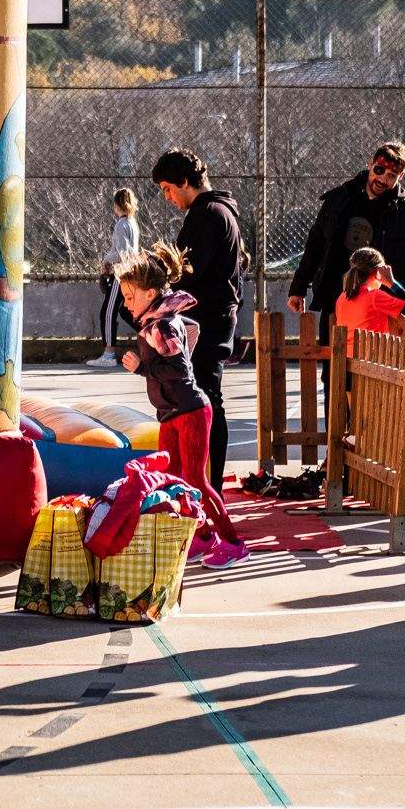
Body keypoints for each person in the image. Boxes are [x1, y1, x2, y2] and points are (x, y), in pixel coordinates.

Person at [116, 242, 248, 569]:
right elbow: (193, 328)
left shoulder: (160, 325)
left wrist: (142, 368)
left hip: (189, 411)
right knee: (174, 478)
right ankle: (202, 535)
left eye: (130, 297)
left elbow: (178, 369)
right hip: (171, 413)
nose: (126, 304)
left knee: (195, 480)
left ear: (150, 294)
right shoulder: (160, 321)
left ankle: (233, 543)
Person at [288, 141, 405, 410]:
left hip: (381, 307)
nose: (383, 179)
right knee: (335, 373)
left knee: (381, 374)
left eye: (391, 175)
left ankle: (371, 433)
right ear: (370, 165)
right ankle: (337, 434)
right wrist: (298, 287)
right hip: (339, 301)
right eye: (379, 170)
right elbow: (315, 246)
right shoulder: (339, 200)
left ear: (401, 176)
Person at [151, 148, 247, 488]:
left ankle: (208, 485)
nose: (168, 197)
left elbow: (188, 273)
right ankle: (207, 483)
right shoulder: (221, 211)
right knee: (206, 399)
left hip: (207, 321)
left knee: (205, 401)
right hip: (217, 318)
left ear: (184, 181)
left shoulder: (206, 215)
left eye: (168, 189)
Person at [91, 188, 142, 367]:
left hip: (121, 274)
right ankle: (152, 336)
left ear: (117, 204)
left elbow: (122, 253)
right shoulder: (132, 223)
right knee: (126, 311)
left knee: (108, 312)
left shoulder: (121, 224)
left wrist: (106, 260)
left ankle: (109, 354)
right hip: (131, 272)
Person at [333, 246, 405, 335]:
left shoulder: (342, 297)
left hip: (346, 345)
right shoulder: (375, 296)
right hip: (371, 344)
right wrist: (391, 283)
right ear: (377, 272)